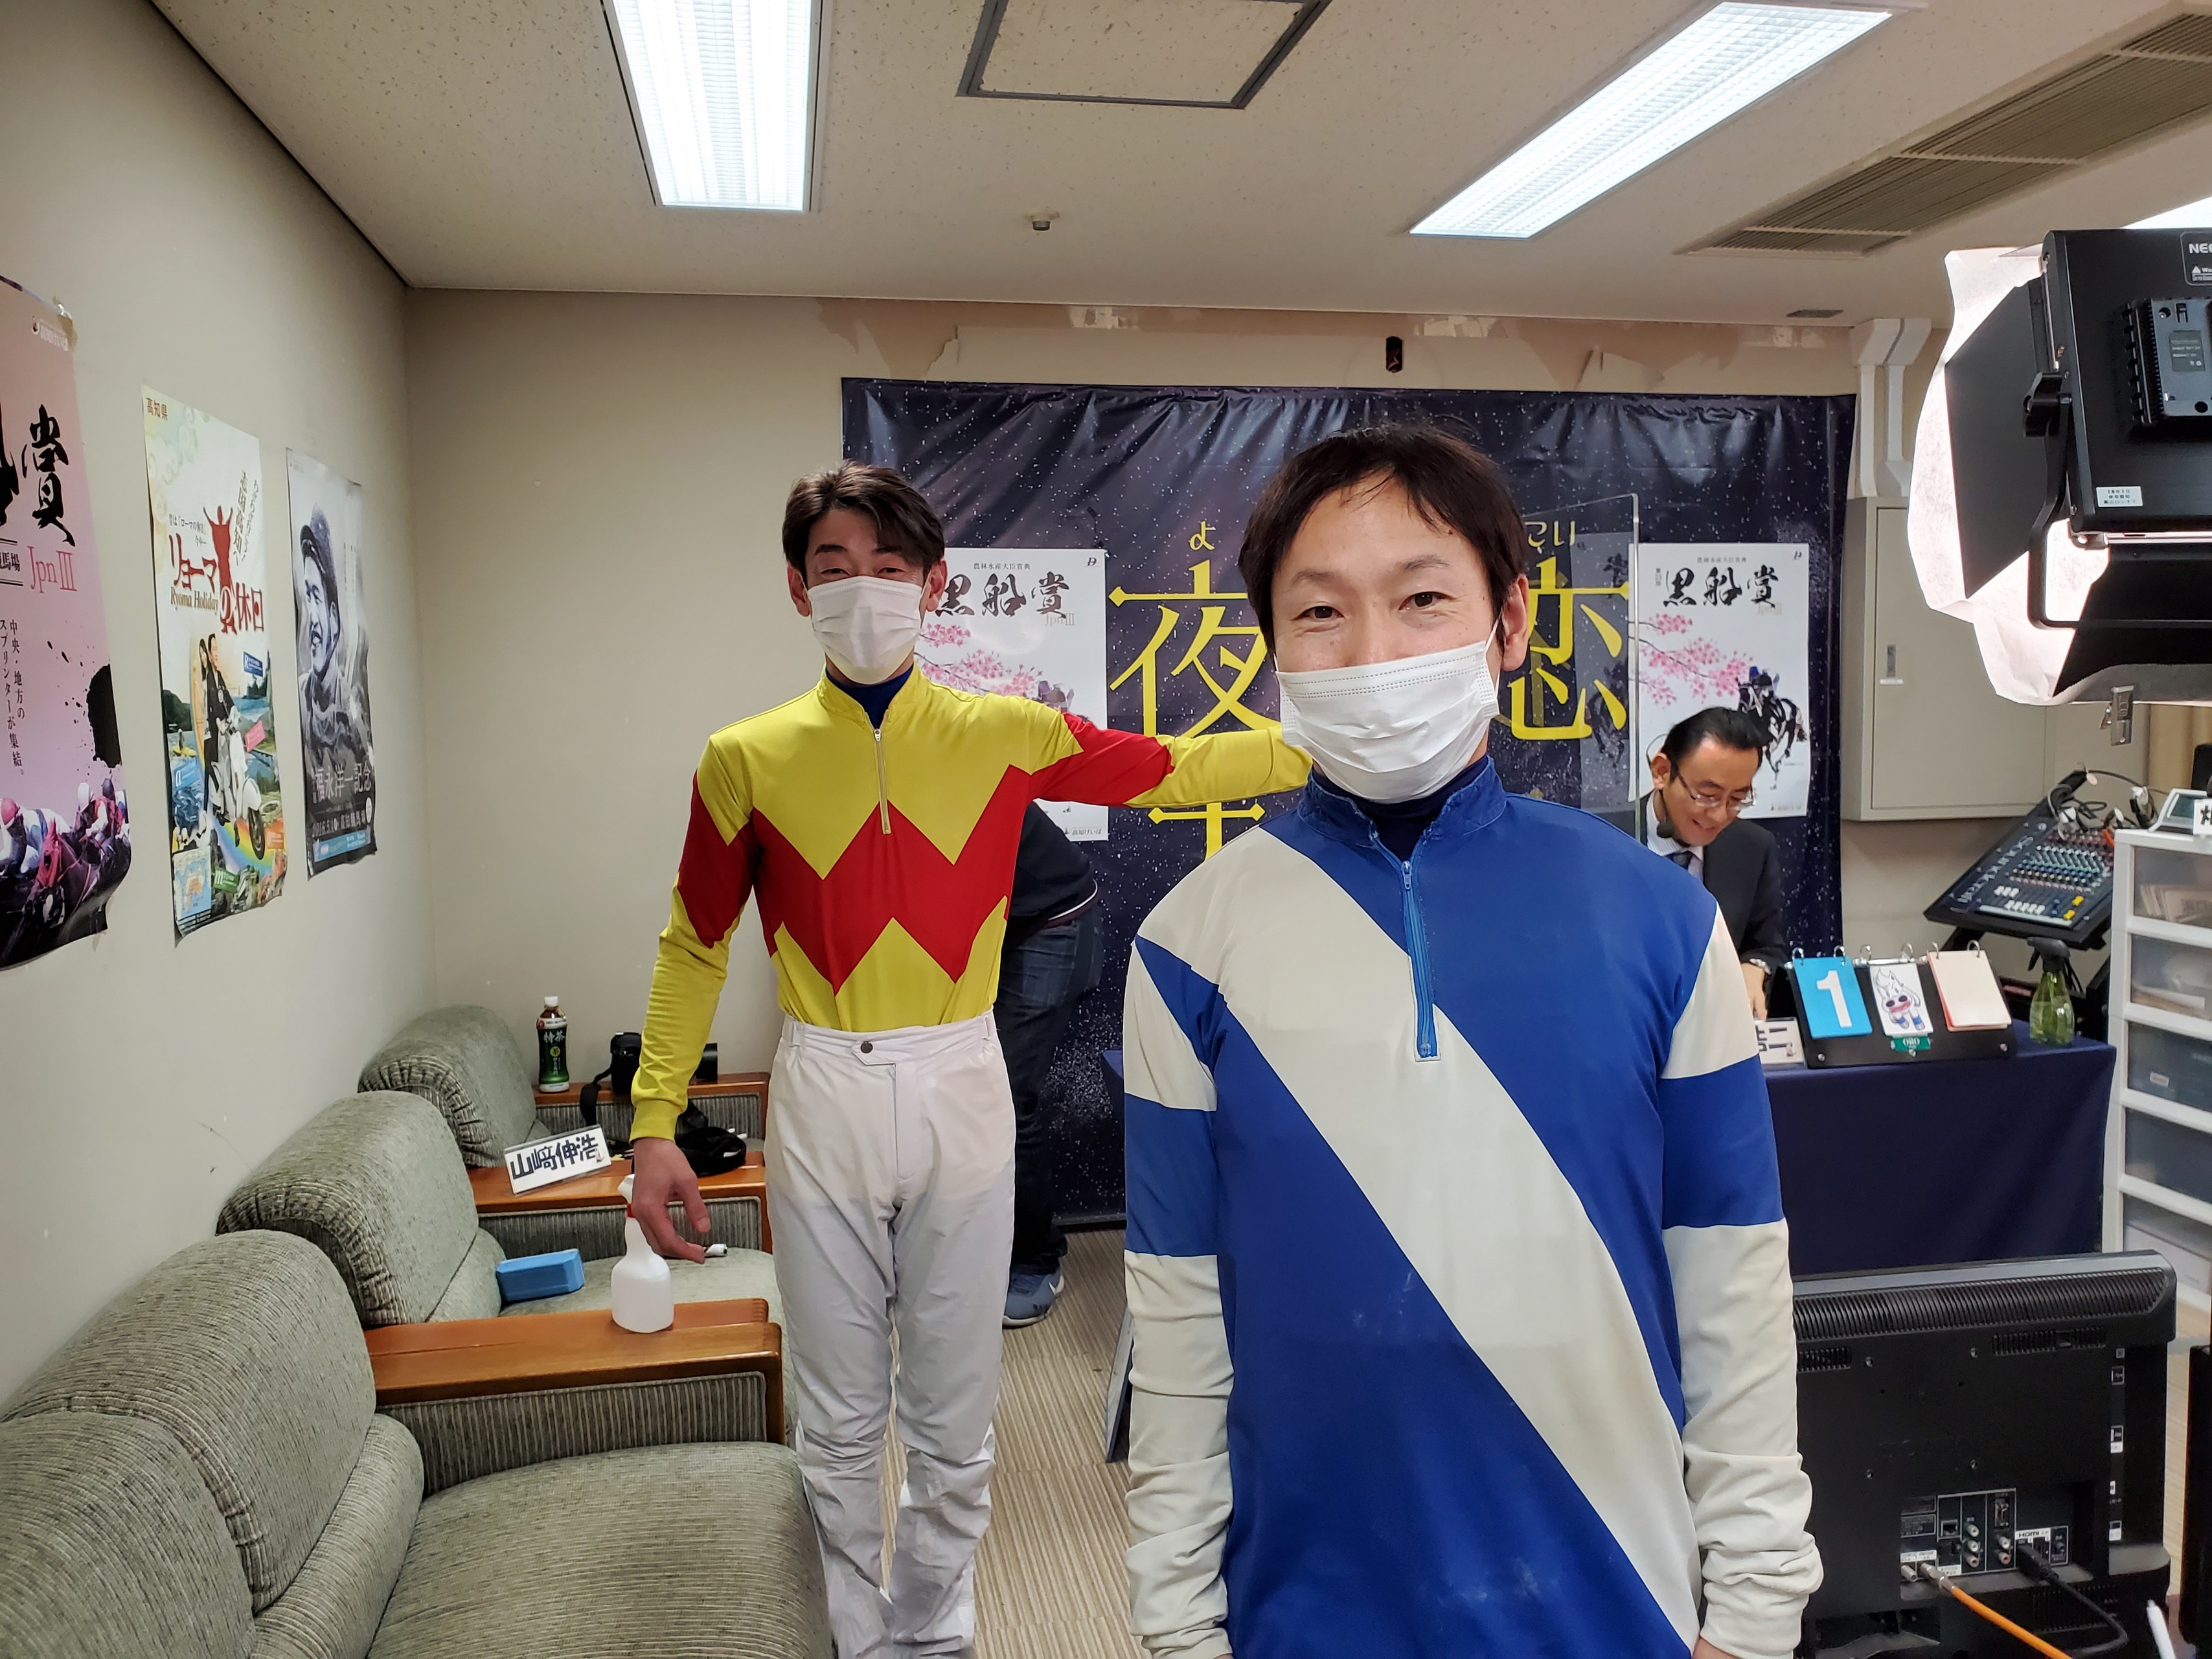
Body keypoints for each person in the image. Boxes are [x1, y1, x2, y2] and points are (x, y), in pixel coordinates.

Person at [1121, 426, 1818, 1659]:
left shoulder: (1665, 921)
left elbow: (1733, 1280)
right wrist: (1178, 1619)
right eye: (1320, 612)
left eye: (1423, 599)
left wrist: (1756, 1604)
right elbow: (1178, 1317)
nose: (1373, 653)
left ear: (1510, 621)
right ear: (1272, 647)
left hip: (1617, 1595)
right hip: (1309, 1605)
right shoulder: (1189, 945)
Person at [627, 462, 1310, 1659]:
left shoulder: (1003, 731)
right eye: (835, 567)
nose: (864, 590)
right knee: (839, 1418)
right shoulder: (744, 757)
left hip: (960, 1075)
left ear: (934, 584)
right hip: (823, 1085)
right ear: (796, 587)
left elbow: (1170, 769)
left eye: (890, 568)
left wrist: (1317, 740)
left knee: (953, 1415)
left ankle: (935, 1633)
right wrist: (651, 1121)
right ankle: (853, 1635)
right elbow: (695, 942)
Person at [997, 804, 1104, 1327]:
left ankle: (1035, 1260)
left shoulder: (950, 766)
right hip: (996, 927)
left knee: (1005, 1097)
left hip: (1050, 922)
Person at [1646, 706, 1789, 1019]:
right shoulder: (1603, 840)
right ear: (1662, 772)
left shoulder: (1752, 847)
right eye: (1707, 795)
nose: (1720, 814)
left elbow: (1767, 945)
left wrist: (1754, 967)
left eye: (1737, 799)